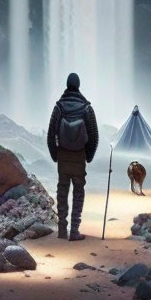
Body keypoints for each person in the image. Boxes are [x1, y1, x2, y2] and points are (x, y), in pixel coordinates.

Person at [46, 72, 99, 240]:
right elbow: (94, 136)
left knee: (62, 191)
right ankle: (74, 231)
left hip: (63, 155)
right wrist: (88, 156)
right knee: (78, 193)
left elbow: (50, 135)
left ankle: (62, 230)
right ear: (78, 85)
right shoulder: (87, 108)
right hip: (79, 156)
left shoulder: (58, 108)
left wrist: (56, 156)